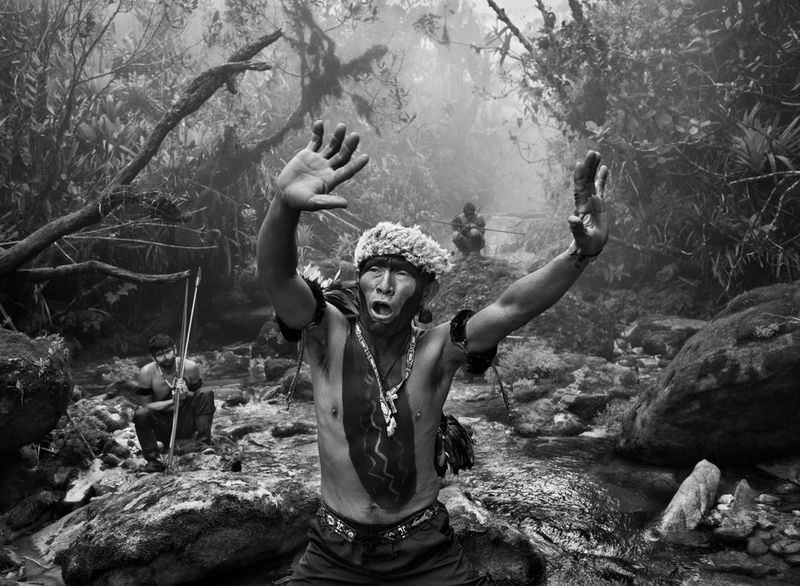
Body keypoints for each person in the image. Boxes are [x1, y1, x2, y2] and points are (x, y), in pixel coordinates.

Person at [256, 120, 608, 584]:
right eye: (374, 270)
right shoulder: (327, 333)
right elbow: (279, 278)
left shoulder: (439, 349)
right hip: (333, 553)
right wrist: (283, 206)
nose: (383, 284)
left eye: (400, 274)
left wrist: (579, 255)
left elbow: (511, 306)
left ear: (427, 289)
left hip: (423, 551)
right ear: (359, 279)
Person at [134, 334, 215, 472]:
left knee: (206, 393)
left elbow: (199, 398)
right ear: (153, 357)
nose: (166, 357)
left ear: (175, 349)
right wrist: (173, 401)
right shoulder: (146, 373)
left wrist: (185, 394)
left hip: (187, 422)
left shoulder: (190, 367)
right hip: (163, 426)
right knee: (141, 414)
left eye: (168, 351)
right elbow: (146, 407)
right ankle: (153, 460)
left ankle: (203, 444)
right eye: (160, 354)